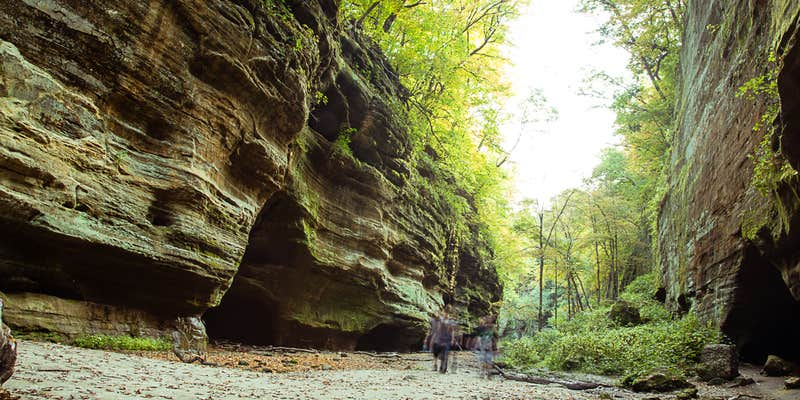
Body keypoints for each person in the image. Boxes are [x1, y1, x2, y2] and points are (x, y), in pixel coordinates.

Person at [428, 307, 457, 373]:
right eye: (445, 314)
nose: (445, 315)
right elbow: (437, 330)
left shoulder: (450, 322)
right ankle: (441, 368)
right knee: (441, 353)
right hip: (440, 340)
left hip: (447, 340)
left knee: (445, 353)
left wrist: (452, 339)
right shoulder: (441, 321)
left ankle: (443, 369)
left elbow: (452, 331)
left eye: (447, 314)